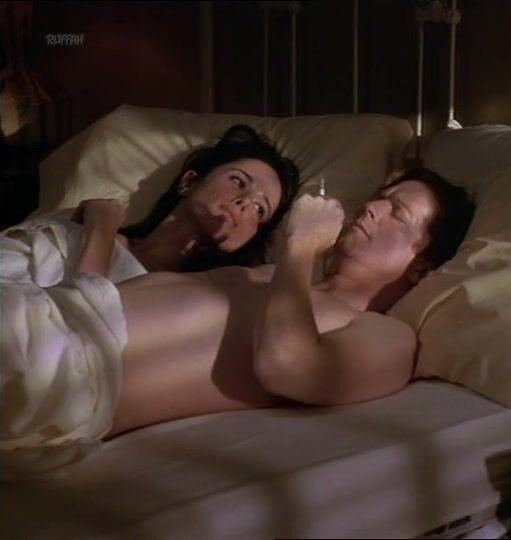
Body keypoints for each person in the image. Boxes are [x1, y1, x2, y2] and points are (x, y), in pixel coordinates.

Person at [0, 167, 475, 478]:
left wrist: (299, 249)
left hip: (68, 368)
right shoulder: (275, 277)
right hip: (45, 312)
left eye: (398, 213)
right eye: (380, 197)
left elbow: (289, 366)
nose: (372, 207)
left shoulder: (388, 335)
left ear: (421, 267)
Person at [0, 124, 300, 288]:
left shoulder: (196, 296)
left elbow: (81, 329)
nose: (245, 202)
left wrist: (100, 232)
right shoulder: (78, 223)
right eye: (238, 181)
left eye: (260, 210)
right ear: (189, 182)